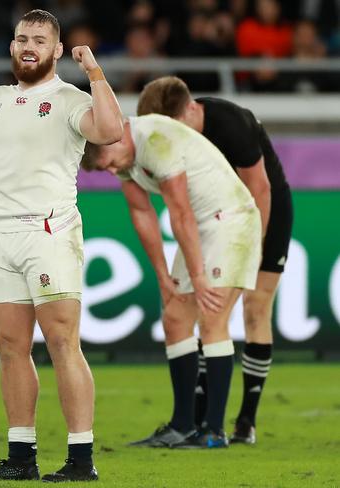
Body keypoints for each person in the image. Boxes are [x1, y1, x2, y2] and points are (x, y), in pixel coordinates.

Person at [0, 9, 122, 482]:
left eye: (39, 38)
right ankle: (22, 456)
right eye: (21, 38)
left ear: (56, 50)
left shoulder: (67, 98)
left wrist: (95, 71)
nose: (28, 45)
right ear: (14, 46)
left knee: (62, 342)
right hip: (0, 233)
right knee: (11, 346)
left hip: (49, 231)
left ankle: (81, 459)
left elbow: (111, 130)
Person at [81, 113, 261, 448]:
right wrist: (163, 277)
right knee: (176, 318)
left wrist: (197, 276)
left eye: (107, 163)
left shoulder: (155, 140)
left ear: (118, 136)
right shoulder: (124, 156)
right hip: (202, 228)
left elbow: (179, 212)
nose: (111, 170)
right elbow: (142, 213)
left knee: (212, 319)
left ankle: (213, 430)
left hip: (230, 222)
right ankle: (182, 424)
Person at [136, 75, 293, 444]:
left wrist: (254, 248)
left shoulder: (231, 123)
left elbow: (261, 188)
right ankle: (202, 418)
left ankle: (245, 421)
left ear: (191, 109)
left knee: (255, 309)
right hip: (216, 218)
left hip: (265, 211)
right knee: (206, 313)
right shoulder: (179, 129)